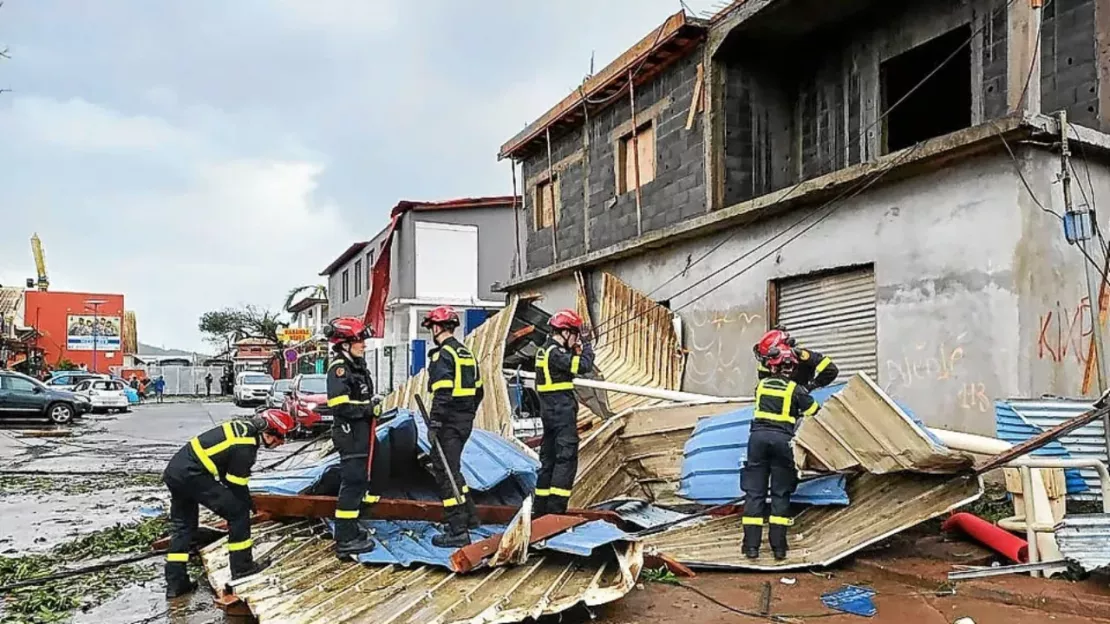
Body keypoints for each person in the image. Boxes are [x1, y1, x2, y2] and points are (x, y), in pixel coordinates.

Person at [162, 408, 295, 598]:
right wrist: (247, 505)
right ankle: (242, 568)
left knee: (183, 527)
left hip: (176, 472)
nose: (280, 443)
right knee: (238, 515)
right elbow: (235, 483)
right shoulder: (247, 444)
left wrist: (243, 498)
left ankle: (176, 584)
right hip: (193, 475)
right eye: (280, 438)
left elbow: (226, 475)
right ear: (269, 430)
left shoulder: (242, 429)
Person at [742, 348, 820, 561]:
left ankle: (751, 548)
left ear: (772, 366)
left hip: (757, 440)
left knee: (754, 494)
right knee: (780, 494)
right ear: (792, 368)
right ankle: (779, 549)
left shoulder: (761, 386)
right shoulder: (795, 389)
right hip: (782, 442)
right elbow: (815, 411)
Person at [422, 306, 484, 547]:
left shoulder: (442, 355)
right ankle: (470, 517)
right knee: (453, 469)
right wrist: (467, 414)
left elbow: (443, 392)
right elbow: (480, 391)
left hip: (448, 422)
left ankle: (457, 530)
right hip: (464, 420)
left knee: (444, 471)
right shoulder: (466, 353)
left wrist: (435, 423)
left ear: (436, 328)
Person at [323, 317, 378, 558]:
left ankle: (352, 529)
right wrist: (368, 409)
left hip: (360, 432)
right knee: (352, 483)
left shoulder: (356, 366)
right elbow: (339, 405)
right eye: (359, 341)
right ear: (345, 344)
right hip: (350, 434)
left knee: (360, 482)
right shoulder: (339, 369)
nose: (364, 345)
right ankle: (345, 540)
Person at [533, 309, 594, 516]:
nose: (576, 338)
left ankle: (540, 511)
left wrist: (574, 349)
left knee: (548, 461)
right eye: (575, 334)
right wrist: (587, 345)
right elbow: (584, 366)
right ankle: (556, 513)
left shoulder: (544, 350)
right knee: (565, 460)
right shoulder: (555, 353)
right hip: (562, 413)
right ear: (566, 332)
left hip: (549, 414)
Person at [753, 327, 838, 391]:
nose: (768, 362)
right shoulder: (766, 362)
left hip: (802, 403)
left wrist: (810, 387)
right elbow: (763, 383)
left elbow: (831, 370)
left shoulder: (803, 356)